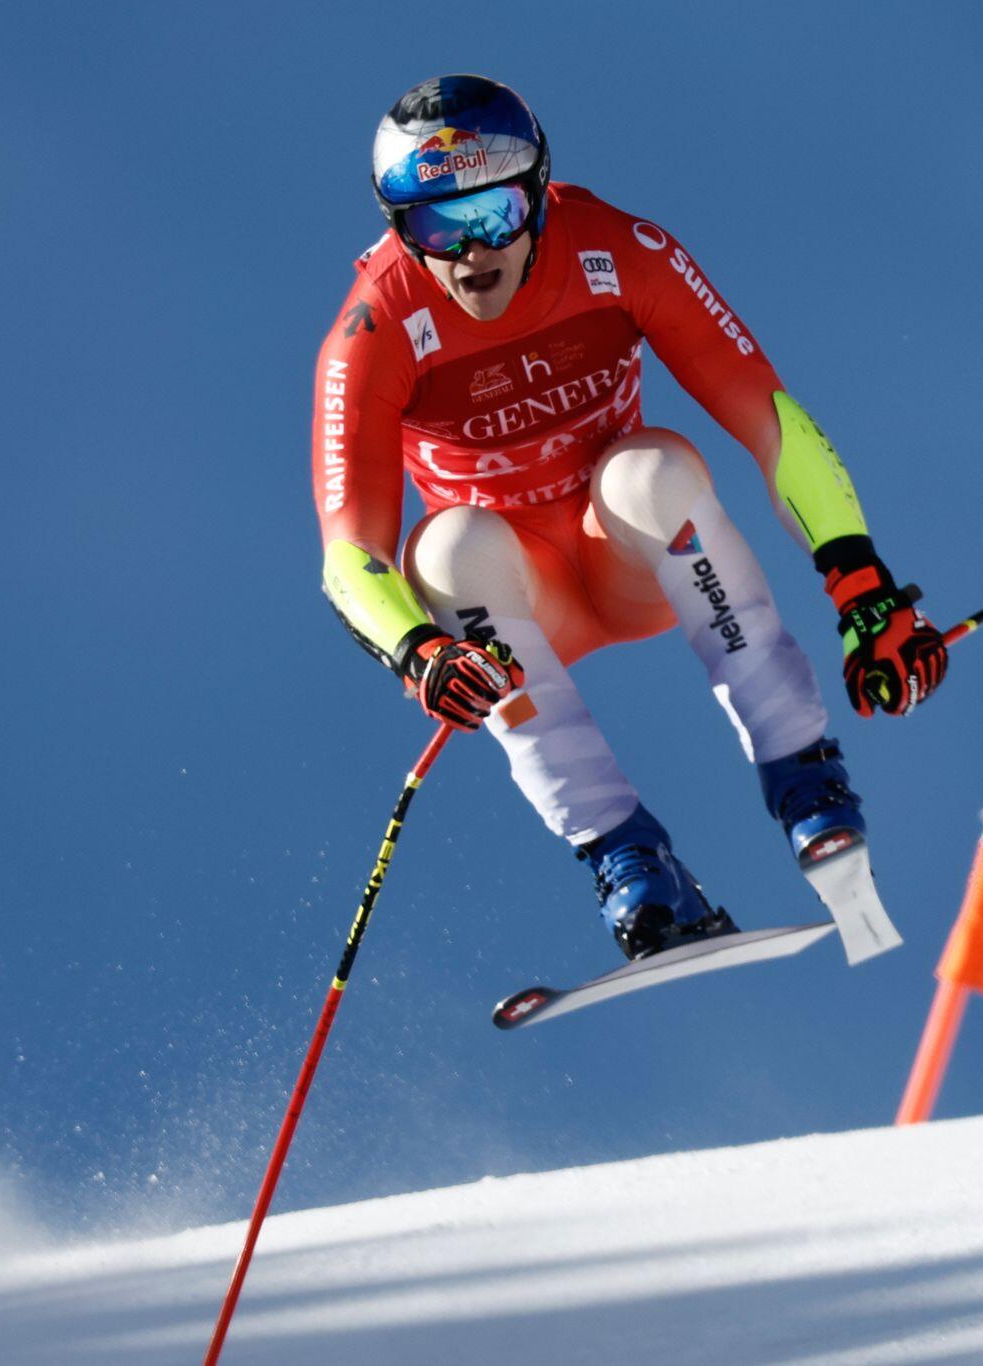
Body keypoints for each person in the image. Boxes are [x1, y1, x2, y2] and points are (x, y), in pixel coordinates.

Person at [312, 74, 949, 961]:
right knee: (447, 548)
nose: (472, 254)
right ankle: (628, 859)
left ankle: (807, 778)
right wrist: (418, 651)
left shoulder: (616, 249)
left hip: (632, 555)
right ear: (397, 228)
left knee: (650, 468)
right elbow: (350, 553)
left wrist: (861, 585)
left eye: (493, 214)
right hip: (519, 605)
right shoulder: (376, 328)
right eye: (436, 228)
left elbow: (771, 422)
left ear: (538, 192)